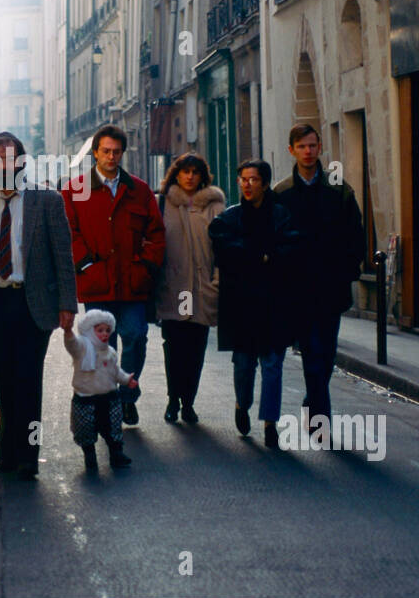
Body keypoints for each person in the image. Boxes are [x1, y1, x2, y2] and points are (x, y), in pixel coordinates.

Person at [0, 132, 78, 479]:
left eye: (10, 159)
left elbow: (63, 256)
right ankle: (6, 453)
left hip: (32, 302)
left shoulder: (46, 201)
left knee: (28, 380)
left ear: (21, 163)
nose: (4, 166)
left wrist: (68, 303)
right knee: (2, 380)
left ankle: (27, 457)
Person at [61, 125, 165, 426]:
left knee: (135, 336)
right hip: (96, 284)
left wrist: (145, 264)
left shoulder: (139, 190)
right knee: (100, 347)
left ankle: (126, 396)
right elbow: (69, 232)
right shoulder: (75, 188)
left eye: (116, 152)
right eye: (105, 151)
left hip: (132, 283)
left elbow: (156, 233)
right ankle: (106, 402)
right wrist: (85, 265)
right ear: (95, 152)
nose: (111, 156)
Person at [272, 125, 366, 422]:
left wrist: (348, 271)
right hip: (296, 288)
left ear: (320, 147)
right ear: (292, 150)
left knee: (326, 354)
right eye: (301, 146)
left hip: (330, 286)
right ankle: (319, 417)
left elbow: (356, 236)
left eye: (312, 145)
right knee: (312, 351)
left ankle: (313, 400)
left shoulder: (339, 190)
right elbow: (274, 239)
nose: (308, 152)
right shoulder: (282, 193)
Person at [209, 159, 298, 448]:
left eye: (253, 180)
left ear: (265, 183)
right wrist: (259, 256)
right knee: (244, 365)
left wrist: (261, 257)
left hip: (275, 302)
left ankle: (270, 422)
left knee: (272, 364)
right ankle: (241, 404)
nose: (247, 185)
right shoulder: (230, 218)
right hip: (242, 304)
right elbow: (223, 247)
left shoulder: (281, 216)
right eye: (243, 180)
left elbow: (290, 250)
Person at [153, 152, 224, 424]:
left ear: (202, 175)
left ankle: (189, 402)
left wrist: (215, 282)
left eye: (195, 172)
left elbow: (222, 249)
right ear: (177, 174)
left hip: (202, 287)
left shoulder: (214, 206)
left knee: (196, 348)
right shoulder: (165, 203)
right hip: (175, 288)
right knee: (174, 345)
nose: (190, 176)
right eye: (185, 171)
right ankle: (173, 399)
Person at [62, 310, 138, 472]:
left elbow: (115, 371)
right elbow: (72, 344)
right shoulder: (82, 347)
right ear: (90, 331)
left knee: (113, 427)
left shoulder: (109, 352)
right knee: (85, 430)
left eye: (107, 330)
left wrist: (126, 380)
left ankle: (116, 454)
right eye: (99, 330)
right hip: (85, 399)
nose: (104, 334)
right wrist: (68, 332)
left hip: (109, 397)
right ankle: (89, 455)